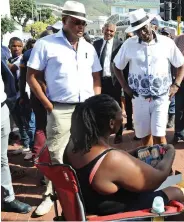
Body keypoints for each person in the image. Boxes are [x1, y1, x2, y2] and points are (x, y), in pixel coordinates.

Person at [27, 0, 102, 216]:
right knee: (56, 156)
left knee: (87, 150)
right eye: (76, 22)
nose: (80, 27)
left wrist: (94, 102)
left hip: (86, 109)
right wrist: (48, 105)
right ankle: (51, 196)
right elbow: (31, 76)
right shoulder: (46, 44)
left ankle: (82, 193)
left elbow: (96, 77)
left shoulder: (88, 47)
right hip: (59, 108)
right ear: (64, 21)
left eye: (83, 23)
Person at [63, 94, 184, 219]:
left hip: (89, 203)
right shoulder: (111, 159)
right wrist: (170, 151)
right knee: (176, 193)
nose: (123, 118)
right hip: (113, 213)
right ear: (111, 123)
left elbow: (107, 159)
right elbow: (158, 177)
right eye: (121, 115)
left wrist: (131, 154)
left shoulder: (73, 145)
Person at [114, 9, 184, 146]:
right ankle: (149, 164)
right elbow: (117, 66)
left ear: (151, 25)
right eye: (137, 30)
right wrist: (125, 87)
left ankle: (164, 166)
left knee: (159, 136)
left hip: (161, 98)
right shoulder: (129, 45)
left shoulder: (167, 43)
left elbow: (182, 65)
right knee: (145, 138)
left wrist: (176, 85)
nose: (142, 33)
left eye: (144, 28)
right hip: (139, 99)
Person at [1, 49, 32, 214]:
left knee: (2, 159)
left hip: (2, 109)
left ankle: (8, 198)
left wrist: (10, 100)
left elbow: (7, 75)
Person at [19, 30, 53, 161]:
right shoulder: (52, 52)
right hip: (48, 96)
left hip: (35, 95)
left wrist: (23, 95)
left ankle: (38, 155)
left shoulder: (28, 54)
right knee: (46, 128)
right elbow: (29, 77)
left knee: (40, 126)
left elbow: (23, 78)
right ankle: (42, 157)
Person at [94, 23, 124, 144]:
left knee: (116, 108)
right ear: (103, 30)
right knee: (101, 108)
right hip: (100, 81)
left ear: (115, 32)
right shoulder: (96, 44)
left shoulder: (120, 45)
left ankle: (119, 133)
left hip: (114, 82)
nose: (109, 33)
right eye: (107, 30)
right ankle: (103, 132)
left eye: (112, 31)